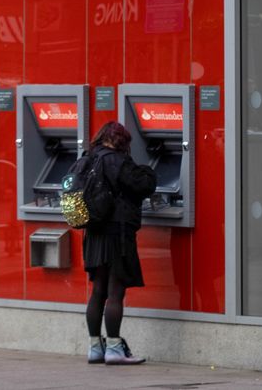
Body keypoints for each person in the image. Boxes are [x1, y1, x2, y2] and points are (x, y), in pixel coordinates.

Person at [82, 121, 156, 365]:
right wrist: (149, 169)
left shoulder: (89, 157)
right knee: (115, 292)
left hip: (94, 233)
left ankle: (95, 347)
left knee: (98, 291)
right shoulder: (117, 161)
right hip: (117, 233)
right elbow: (143, 185)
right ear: (122, 142)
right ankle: (114, 347)